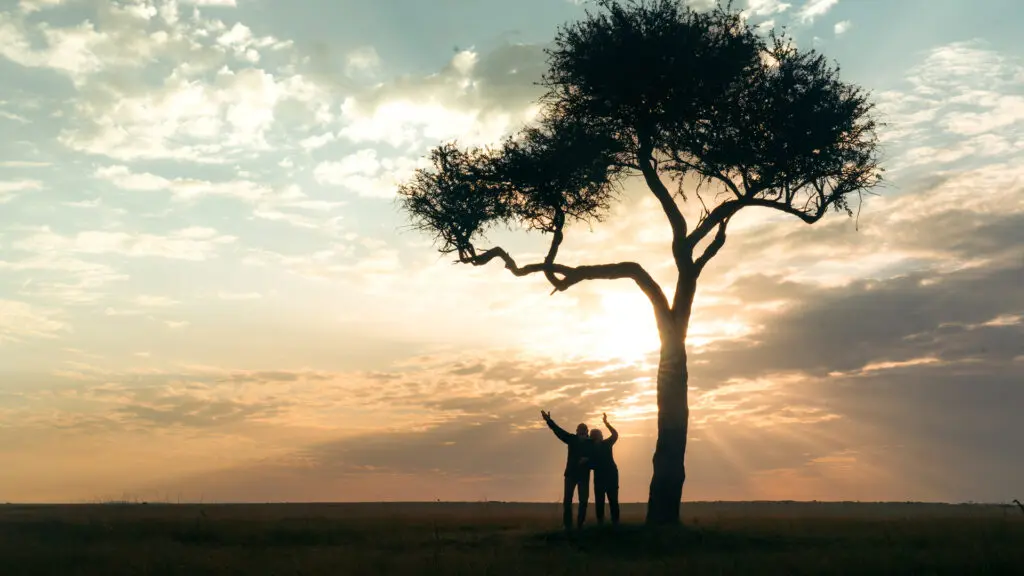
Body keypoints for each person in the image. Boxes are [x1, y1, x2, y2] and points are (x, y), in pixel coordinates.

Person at [541, 410, 593, 531]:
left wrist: (588, 460)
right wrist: (549, 421)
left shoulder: (591, 444)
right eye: (580, 431)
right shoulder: (572, 439)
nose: (581, 433)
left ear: (587, 432)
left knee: (583, 501)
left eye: (583, 431)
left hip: (583, 477)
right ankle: (568, 525)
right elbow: (559, 432)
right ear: (577, 432)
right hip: (570, 475)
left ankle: (580, 524)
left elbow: (598, 456)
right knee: (567, 501)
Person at [589, 412, 620, 526]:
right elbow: (615, 435)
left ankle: (612, 523)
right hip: (605, 476)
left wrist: (607, 423)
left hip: (609, 476)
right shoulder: (602, 445)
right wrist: (606, 423)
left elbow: (615, 435)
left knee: (610, 501)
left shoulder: (604, 444)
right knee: (604, 501)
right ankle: (607, 523)